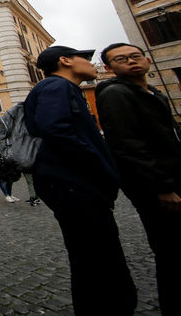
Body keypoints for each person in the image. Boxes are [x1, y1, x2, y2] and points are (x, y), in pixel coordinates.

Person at [25, 45, 136, 315]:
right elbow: (56, 129)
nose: (92, 63)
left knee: (92, 258)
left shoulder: (58, 88)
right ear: (66, 61)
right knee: (99, 259)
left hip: (73, 182)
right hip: (74, 183)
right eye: (85, 58)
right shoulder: (56, 87)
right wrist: (98, 164)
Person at [96, 42, 181, 315]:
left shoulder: (153, 92)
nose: (131, 62)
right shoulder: (116, 94)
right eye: (122, 59)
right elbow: (127, 145)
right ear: (109, 68)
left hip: (169, 177)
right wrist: (162, 187)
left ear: (146, 60)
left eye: (135, 56)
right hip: (155, 186)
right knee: (171, 252)